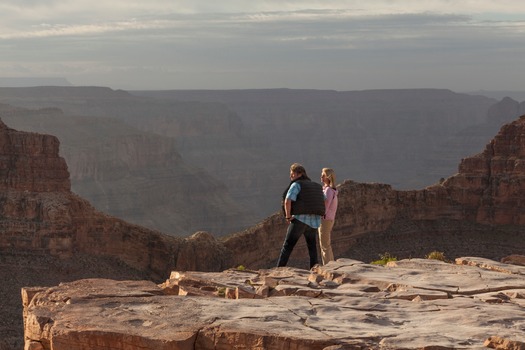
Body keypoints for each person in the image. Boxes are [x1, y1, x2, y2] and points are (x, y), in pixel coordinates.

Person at [277, 163, 325, 269]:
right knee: (312, 248)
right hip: (314, 221)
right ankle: (314, 270)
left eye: (292, 174)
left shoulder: (297, 184)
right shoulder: (316, 186)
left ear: (299, 174)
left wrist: (288, 216)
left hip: (299, 220)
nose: (291, 177)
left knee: (288, 246)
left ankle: (279, 270)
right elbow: (323, 201)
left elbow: (287, 200)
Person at [318, 168, 338, 265]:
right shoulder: (329, 190)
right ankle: (331, 265)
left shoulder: (328, 191)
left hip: (325, 220)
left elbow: (325, 207)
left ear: (328, 177)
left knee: (324, 245)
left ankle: (328, 267)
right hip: (328, 219)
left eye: (323, 175)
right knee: (326, 245)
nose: (321, 177)